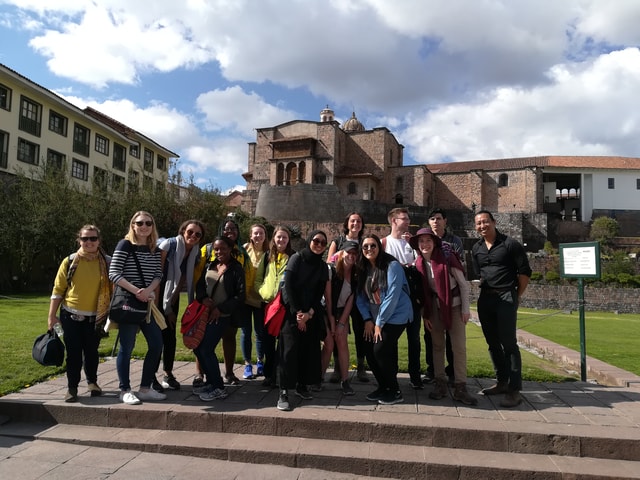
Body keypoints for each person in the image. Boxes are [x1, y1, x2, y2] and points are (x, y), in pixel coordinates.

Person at [410, 228, 477, 406]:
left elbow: (463, 285)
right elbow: (424, 293)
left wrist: (465, 309)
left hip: (454, 306)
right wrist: (426, 315)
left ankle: (460, 387)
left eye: (428, 241)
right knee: (437, 346)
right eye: (421, 241)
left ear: (434, 242)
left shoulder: (447, 258)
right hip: (434, 308)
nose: (424, 244)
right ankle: (440, 383)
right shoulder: (418, 263)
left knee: (459, 347)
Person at [471, 210, 532, 408]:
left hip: (506, 295)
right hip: (486, 298)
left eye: (485, 222)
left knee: (509, 343)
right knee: (492, 343)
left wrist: (516, 296)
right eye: (479, 223)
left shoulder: (510, 244)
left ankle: (514, 390)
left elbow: (524, 273)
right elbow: (479, 274)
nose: (482, 226)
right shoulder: (476, 248)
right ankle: (502, 382)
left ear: (494, 222)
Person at [47, 224, 112, 402]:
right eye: (85, 238)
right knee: (74, 353)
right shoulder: (69, 261)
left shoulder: (107, 262)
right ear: (79, 240)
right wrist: (52, 316)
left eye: (93, 238)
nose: (89, 242)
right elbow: (58, 290)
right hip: (70, 315)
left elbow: (115, 288)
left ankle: (92, 382)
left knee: (92, 352)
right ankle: (72, 388)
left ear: (99, 240)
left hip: (96, 317)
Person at [108, 211, 166, 405]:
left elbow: (158, 274)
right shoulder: (125, 245)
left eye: (148, 223)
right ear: (133, 225)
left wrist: (148, 290)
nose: (144, 226)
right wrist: (136, 291)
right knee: (127, 346)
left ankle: (145, 388)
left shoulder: (154, 248)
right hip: (129, 303)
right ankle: (124, 389)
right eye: (139, 223)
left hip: (146, 304)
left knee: (157, 344)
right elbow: (114, 272)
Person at [192, 218, 251, 387]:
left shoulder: (239, 260)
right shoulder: (209, 258)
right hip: (206, 310)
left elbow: (240, 292)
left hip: (226, 311)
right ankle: (201, 375)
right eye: (226, 229)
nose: (230, 232)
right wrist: (203, 298)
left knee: (225, 340)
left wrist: (221, 308)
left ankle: (223, 377)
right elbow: (200, 282)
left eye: (233, 229)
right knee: (201, 343)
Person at [356, 234, 413, 405]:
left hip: (397, 315)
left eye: (373, 245)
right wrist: (367, 319)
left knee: (380, 349)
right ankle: (383, 387)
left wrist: (379, 323)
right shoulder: (364, 268)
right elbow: (361, 297)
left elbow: (392, 297)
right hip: (375, 316)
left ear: (379, 247)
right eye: (365, 246)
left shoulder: (392, 265)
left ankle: (394, 391)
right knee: (369, 350)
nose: (369, 249)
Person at [276, 230, 329, 411]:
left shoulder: (322, 267)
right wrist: (298, 312)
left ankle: (302, 385)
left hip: (310, 313)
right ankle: (284, 390)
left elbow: (319, 293)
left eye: (323, 243)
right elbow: (289, 286)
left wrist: (309, 314)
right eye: (316, 241)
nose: (319, 245)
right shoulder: (297, 258)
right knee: (289, 350)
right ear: (309, 241)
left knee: (308, 350)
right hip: (292, 312)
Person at [153, 220, 205, 392]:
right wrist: (160, 307)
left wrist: (170, 307)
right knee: (156, 338)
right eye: (190, 232)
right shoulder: (170, 245)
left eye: (198, 234)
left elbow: (182, 280)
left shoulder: (193, 253)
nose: (193, 236)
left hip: (170, 299)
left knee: (169, 337)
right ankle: (151, 377)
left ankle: (167, 373)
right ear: (183, 231)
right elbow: (157, 275)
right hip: (156, 297)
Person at [326, 212, 369, 383]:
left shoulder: (366, 242)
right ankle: (337, 367)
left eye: (359, 221)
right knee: (338, 330)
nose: (355, 224)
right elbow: (330, 263)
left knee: (360, 331)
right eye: (352, 221)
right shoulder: (338, 241)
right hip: (340, 293)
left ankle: (361, 366)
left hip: (359, 292)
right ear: (347, 223)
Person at [382, 207, 422, 390]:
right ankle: (393, 375)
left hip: (412, 299)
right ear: (393, 221)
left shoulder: (412, 244)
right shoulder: (384, 243)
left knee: (414, 339)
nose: (407, 222)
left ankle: (415, 376)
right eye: (404, 218)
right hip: (392, 300)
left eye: (408, 218)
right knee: (392, 340)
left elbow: (421, 268)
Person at [424, 208, 464, 384]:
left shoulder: (453, 242)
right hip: (433, 302)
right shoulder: (424, 244)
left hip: (451, 298)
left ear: (445, 221)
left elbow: (460, 271)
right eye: (432, 219)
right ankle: (434, 371)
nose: (435, 221)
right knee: (432, 338)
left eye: (438, 218)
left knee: (454, 342)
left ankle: (455, 374)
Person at [255, 225, 295, 387]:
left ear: (288, 240)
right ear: (274, 239)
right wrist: (263, 292)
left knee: (283, 342)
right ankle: (269, 374)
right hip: (267, 304)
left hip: (284, 305)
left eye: (284, 237)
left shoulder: (293, 257)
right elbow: (258, 279)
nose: (281, 240)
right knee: (267, 342)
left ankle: (281, 375)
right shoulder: (267, 256)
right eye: (279, 237)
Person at [321, 240, 359, 396]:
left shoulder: (357, 273)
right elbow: (328, 298)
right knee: (329, 343)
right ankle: (319, 377)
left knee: (342, 342)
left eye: (354, 254)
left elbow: (351, 299)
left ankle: (345, 380)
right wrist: (331, 321)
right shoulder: (332, 270)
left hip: (342, 310)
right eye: (348, 252)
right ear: (341, 253)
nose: (351, 256)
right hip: (326, 309)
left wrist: (342, 323)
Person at [241, 224, 269, 379]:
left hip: (260, 299)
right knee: (245, 332)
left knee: (260, 333)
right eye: (255, 233)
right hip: (245, 298)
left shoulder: (268, 253)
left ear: (265, 236)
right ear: (250, 236)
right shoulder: (244, 250)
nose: (258, 236)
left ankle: (260, 361)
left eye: (261, 233)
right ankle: (247, 364)